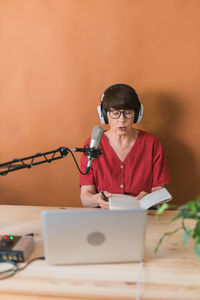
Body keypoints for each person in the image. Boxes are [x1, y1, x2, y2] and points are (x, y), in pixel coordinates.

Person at [80, 83, 171, 208]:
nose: (121, 120)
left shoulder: (152, 143)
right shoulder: (92, 144)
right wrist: (97, 199)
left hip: (142, 215)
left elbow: (159, 191)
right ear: (104, 115)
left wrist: (149, 198)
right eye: (115, 113)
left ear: (137, 114)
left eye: (127, 113)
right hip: (105, 217)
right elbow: (85, 198)